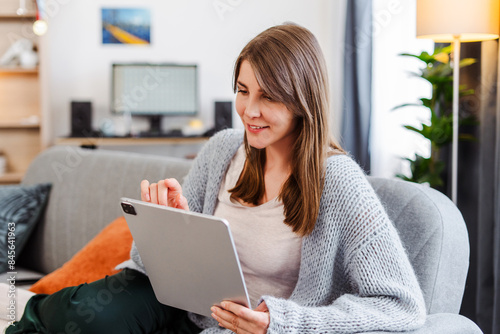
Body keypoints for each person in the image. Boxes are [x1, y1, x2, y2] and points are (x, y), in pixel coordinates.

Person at [7, 23, 426, 334]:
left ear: (303, 100)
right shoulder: (224, 148)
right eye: (243, 91)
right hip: (174, 301)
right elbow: (147, 262)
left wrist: (278, 323)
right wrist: (172, 226)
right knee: (91, 316)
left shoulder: (338, 182)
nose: (249, 111)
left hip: (239, 328)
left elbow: (402, 306)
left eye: (268, 96)